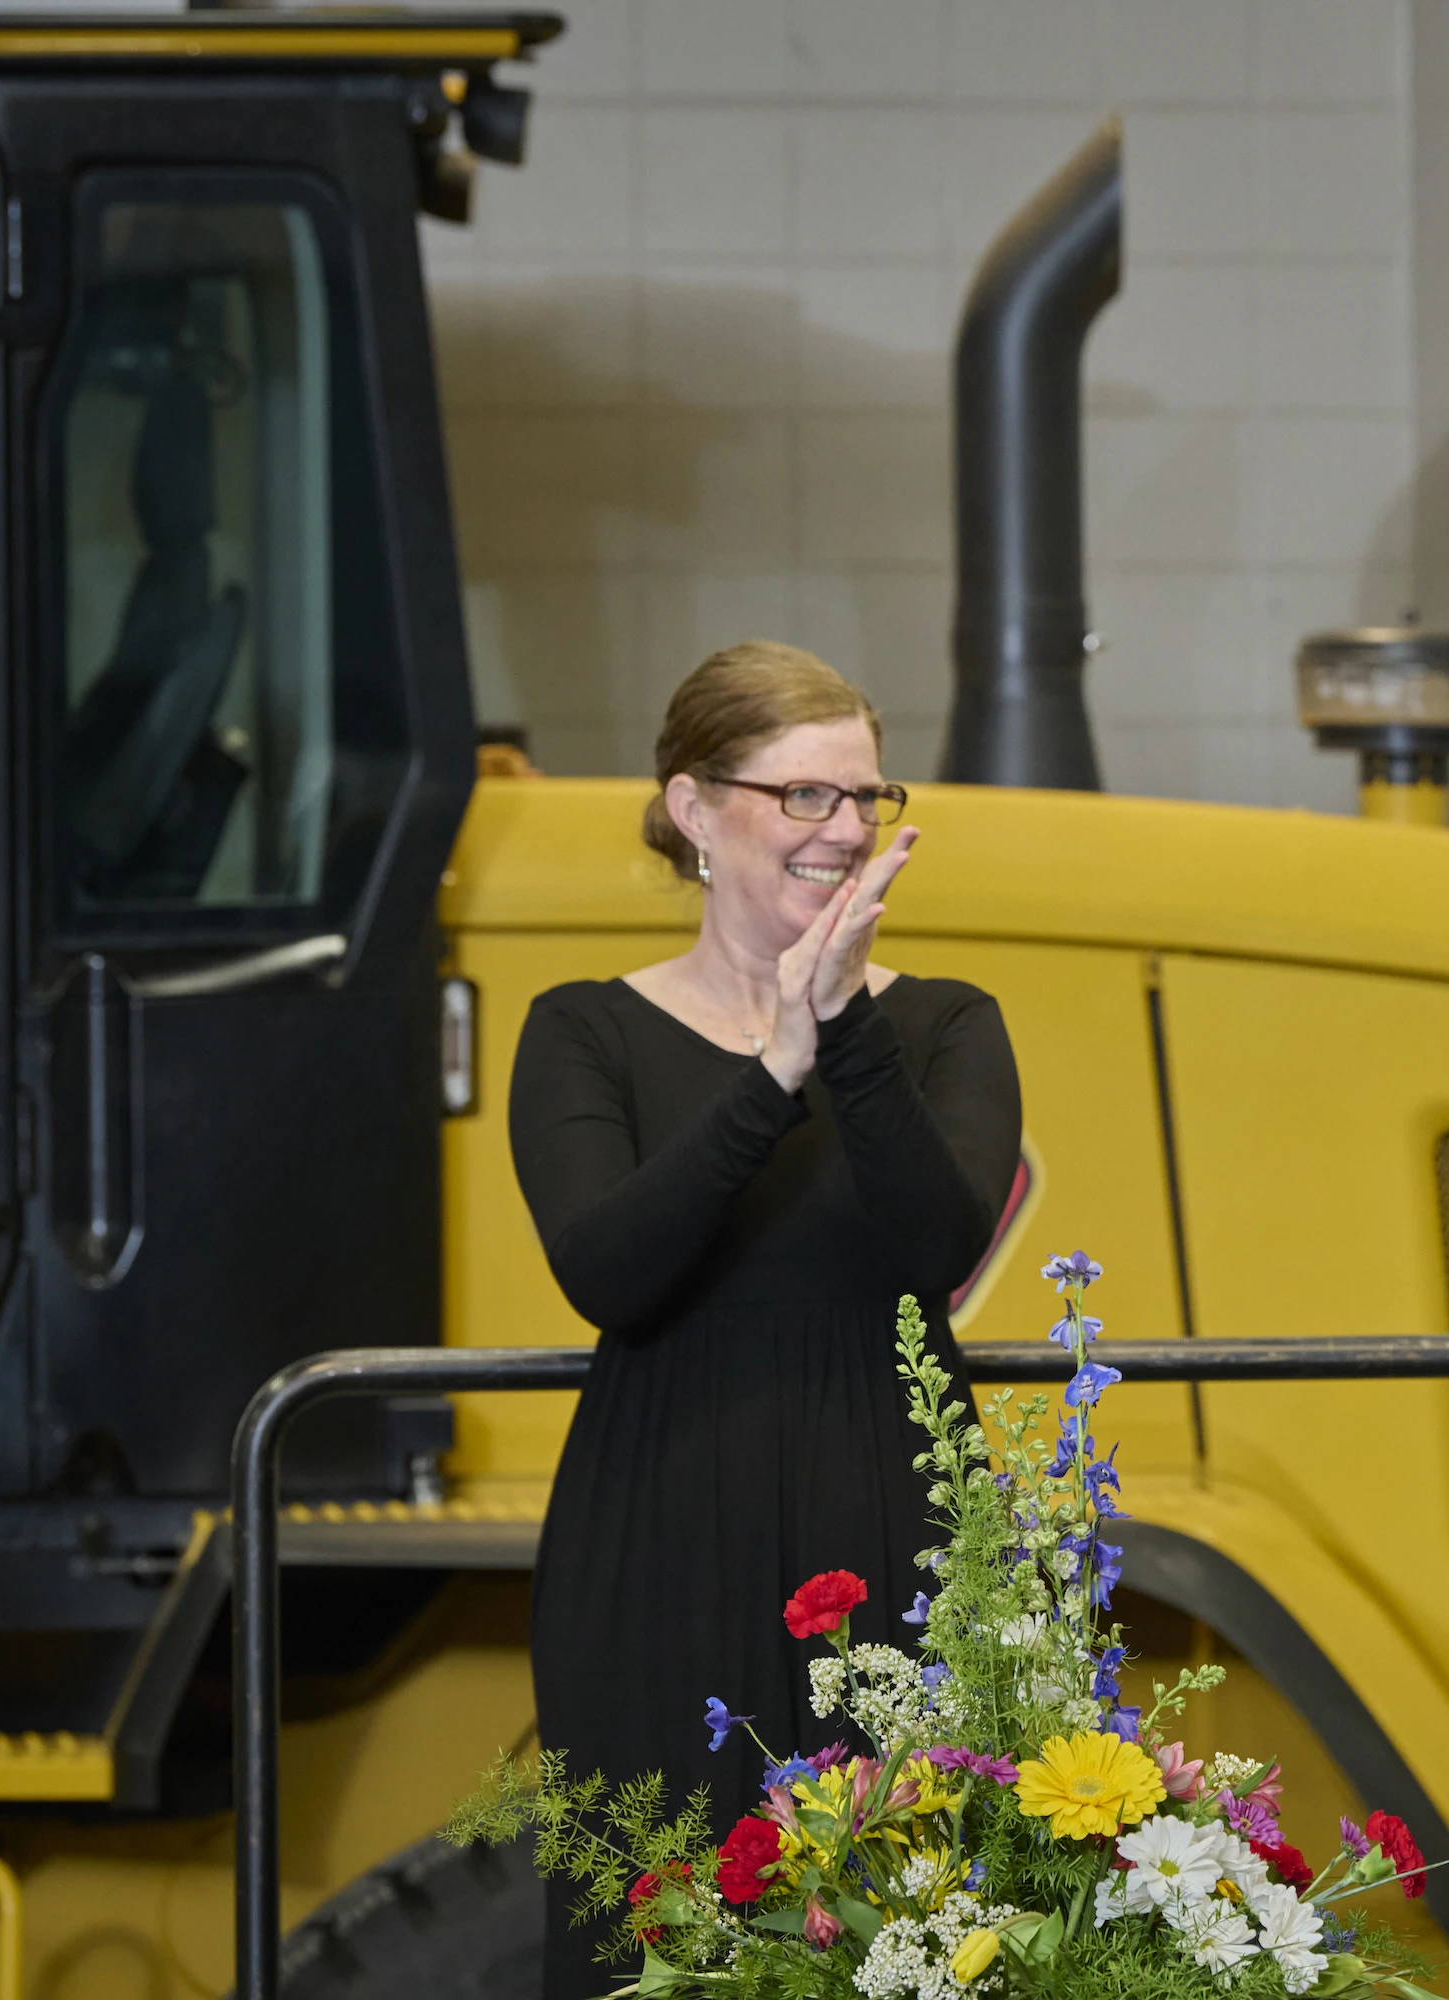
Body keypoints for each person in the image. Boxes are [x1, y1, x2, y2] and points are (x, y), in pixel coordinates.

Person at [509, 642, 1021, 1998]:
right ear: (694, 810)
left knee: (922, 1936)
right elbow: (610, 1271)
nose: (845, 828)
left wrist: (840, 1026)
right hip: (662, 1532)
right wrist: (773, 1067)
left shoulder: (948, 1024)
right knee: (656, 1934)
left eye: (865, 796)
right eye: (804, 796)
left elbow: (937, 1246)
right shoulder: (585, 1033)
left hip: (897, 1511)